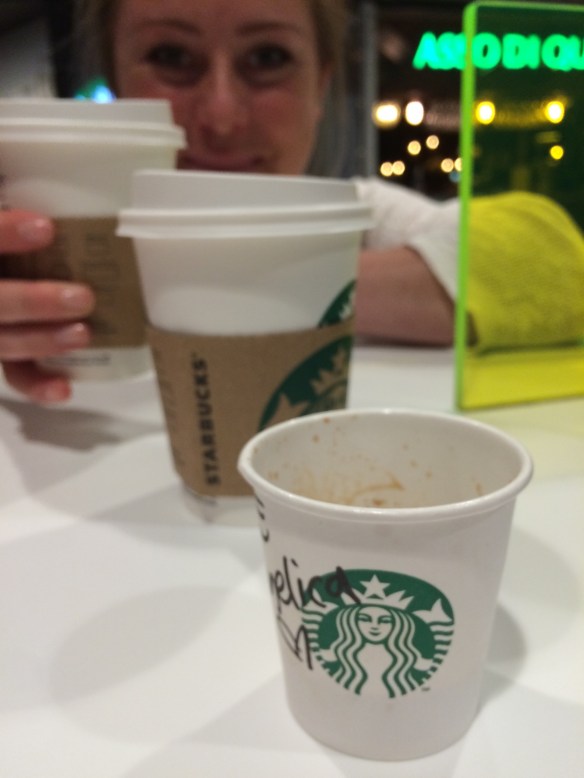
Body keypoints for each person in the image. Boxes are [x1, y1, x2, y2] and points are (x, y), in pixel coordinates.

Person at [0, 0, 456, 404]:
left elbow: (497, 254)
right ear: (118, 84)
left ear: (320, 84)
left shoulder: (362, 215)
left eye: (267, 58)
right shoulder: (39, 239)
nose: (221, 117)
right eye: (171, 56)